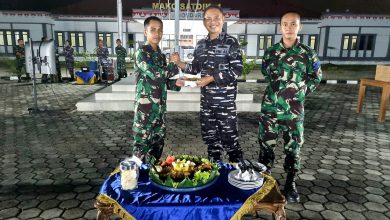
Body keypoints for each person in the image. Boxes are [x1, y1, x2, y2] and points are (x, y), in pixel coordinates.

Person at [257, 11, 322, 203]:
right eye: (285, 24)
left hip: (293, 111)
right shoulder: (271, 52)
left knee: (293, 148)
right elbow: (266, 74)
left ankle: (290, 183)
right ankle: (264, 182)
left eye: (293, 24)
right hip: (270, 109)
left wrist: (300, 92)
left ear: (299, 27)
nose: (288, 27)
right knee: (266, 145)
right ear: (280, 27)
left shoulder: (308, 54)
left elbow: (316, 77)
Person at [171, 5, 243, 163]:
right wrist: (180, 63)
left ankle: (236, 173)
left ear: (223, 19)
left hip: (226, 104)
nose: (212, 22)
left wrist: (211, 79)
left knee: (231, 142)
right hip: (207, 103)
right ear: (204, 22)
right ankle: (214, 173)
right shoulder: (201, 44)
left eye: (216, 18)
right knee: (211, 141)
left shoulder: (231, 42)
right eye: (208, 18)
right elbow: (195, 68)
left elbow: (237, 70)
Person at [131, 16, 182, 163]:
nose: (157, 33)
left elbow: (162, 82)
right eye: (152, 29)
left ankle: (152, 178)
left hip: (159, 111)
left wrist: (176, 84)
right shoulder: (141, 53)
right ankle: (136, 182)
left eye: (160, 30)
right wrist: (174, 64)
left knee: (157, 149)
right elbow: (156, 73)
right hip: (144, 112)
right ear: (145, 32)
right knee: (140, 151)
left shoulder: (160, 55)